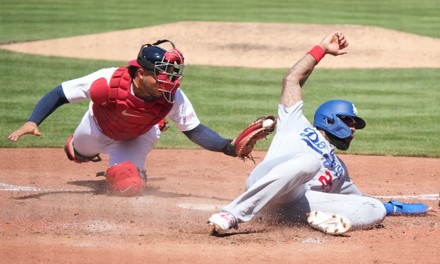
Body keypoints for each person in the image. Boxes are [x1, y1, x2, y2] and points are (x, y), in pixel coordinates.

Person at [208, 31, 428, 236]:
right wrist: (322, 50)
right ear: (330, 119)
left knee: (374, 209)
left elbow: (357, 201)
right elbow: (292, 80)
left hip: (291, 209)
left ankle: (321, 220)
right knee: (309, 162)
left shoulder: (339, 168)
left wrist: (391, 207)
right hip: (265, 182)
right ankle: (232, 214)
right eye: (350, 122)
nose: (352, 129)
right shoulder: (296, 123)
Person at [8, 39, 237, 196]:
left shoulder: (172, 97)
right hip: (97, 128)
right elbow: (61, 93)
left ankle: (131, 168)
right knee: (77, 154)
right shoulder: (107, 81)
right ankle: (79, 150)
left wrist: (228, 146)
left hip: (138, 136)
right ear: (141, 73)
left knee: (128, 186)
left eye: (171, 75)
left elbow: (194, 130)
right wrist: (33, 121)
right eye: (162, 75)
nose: (170, 81)